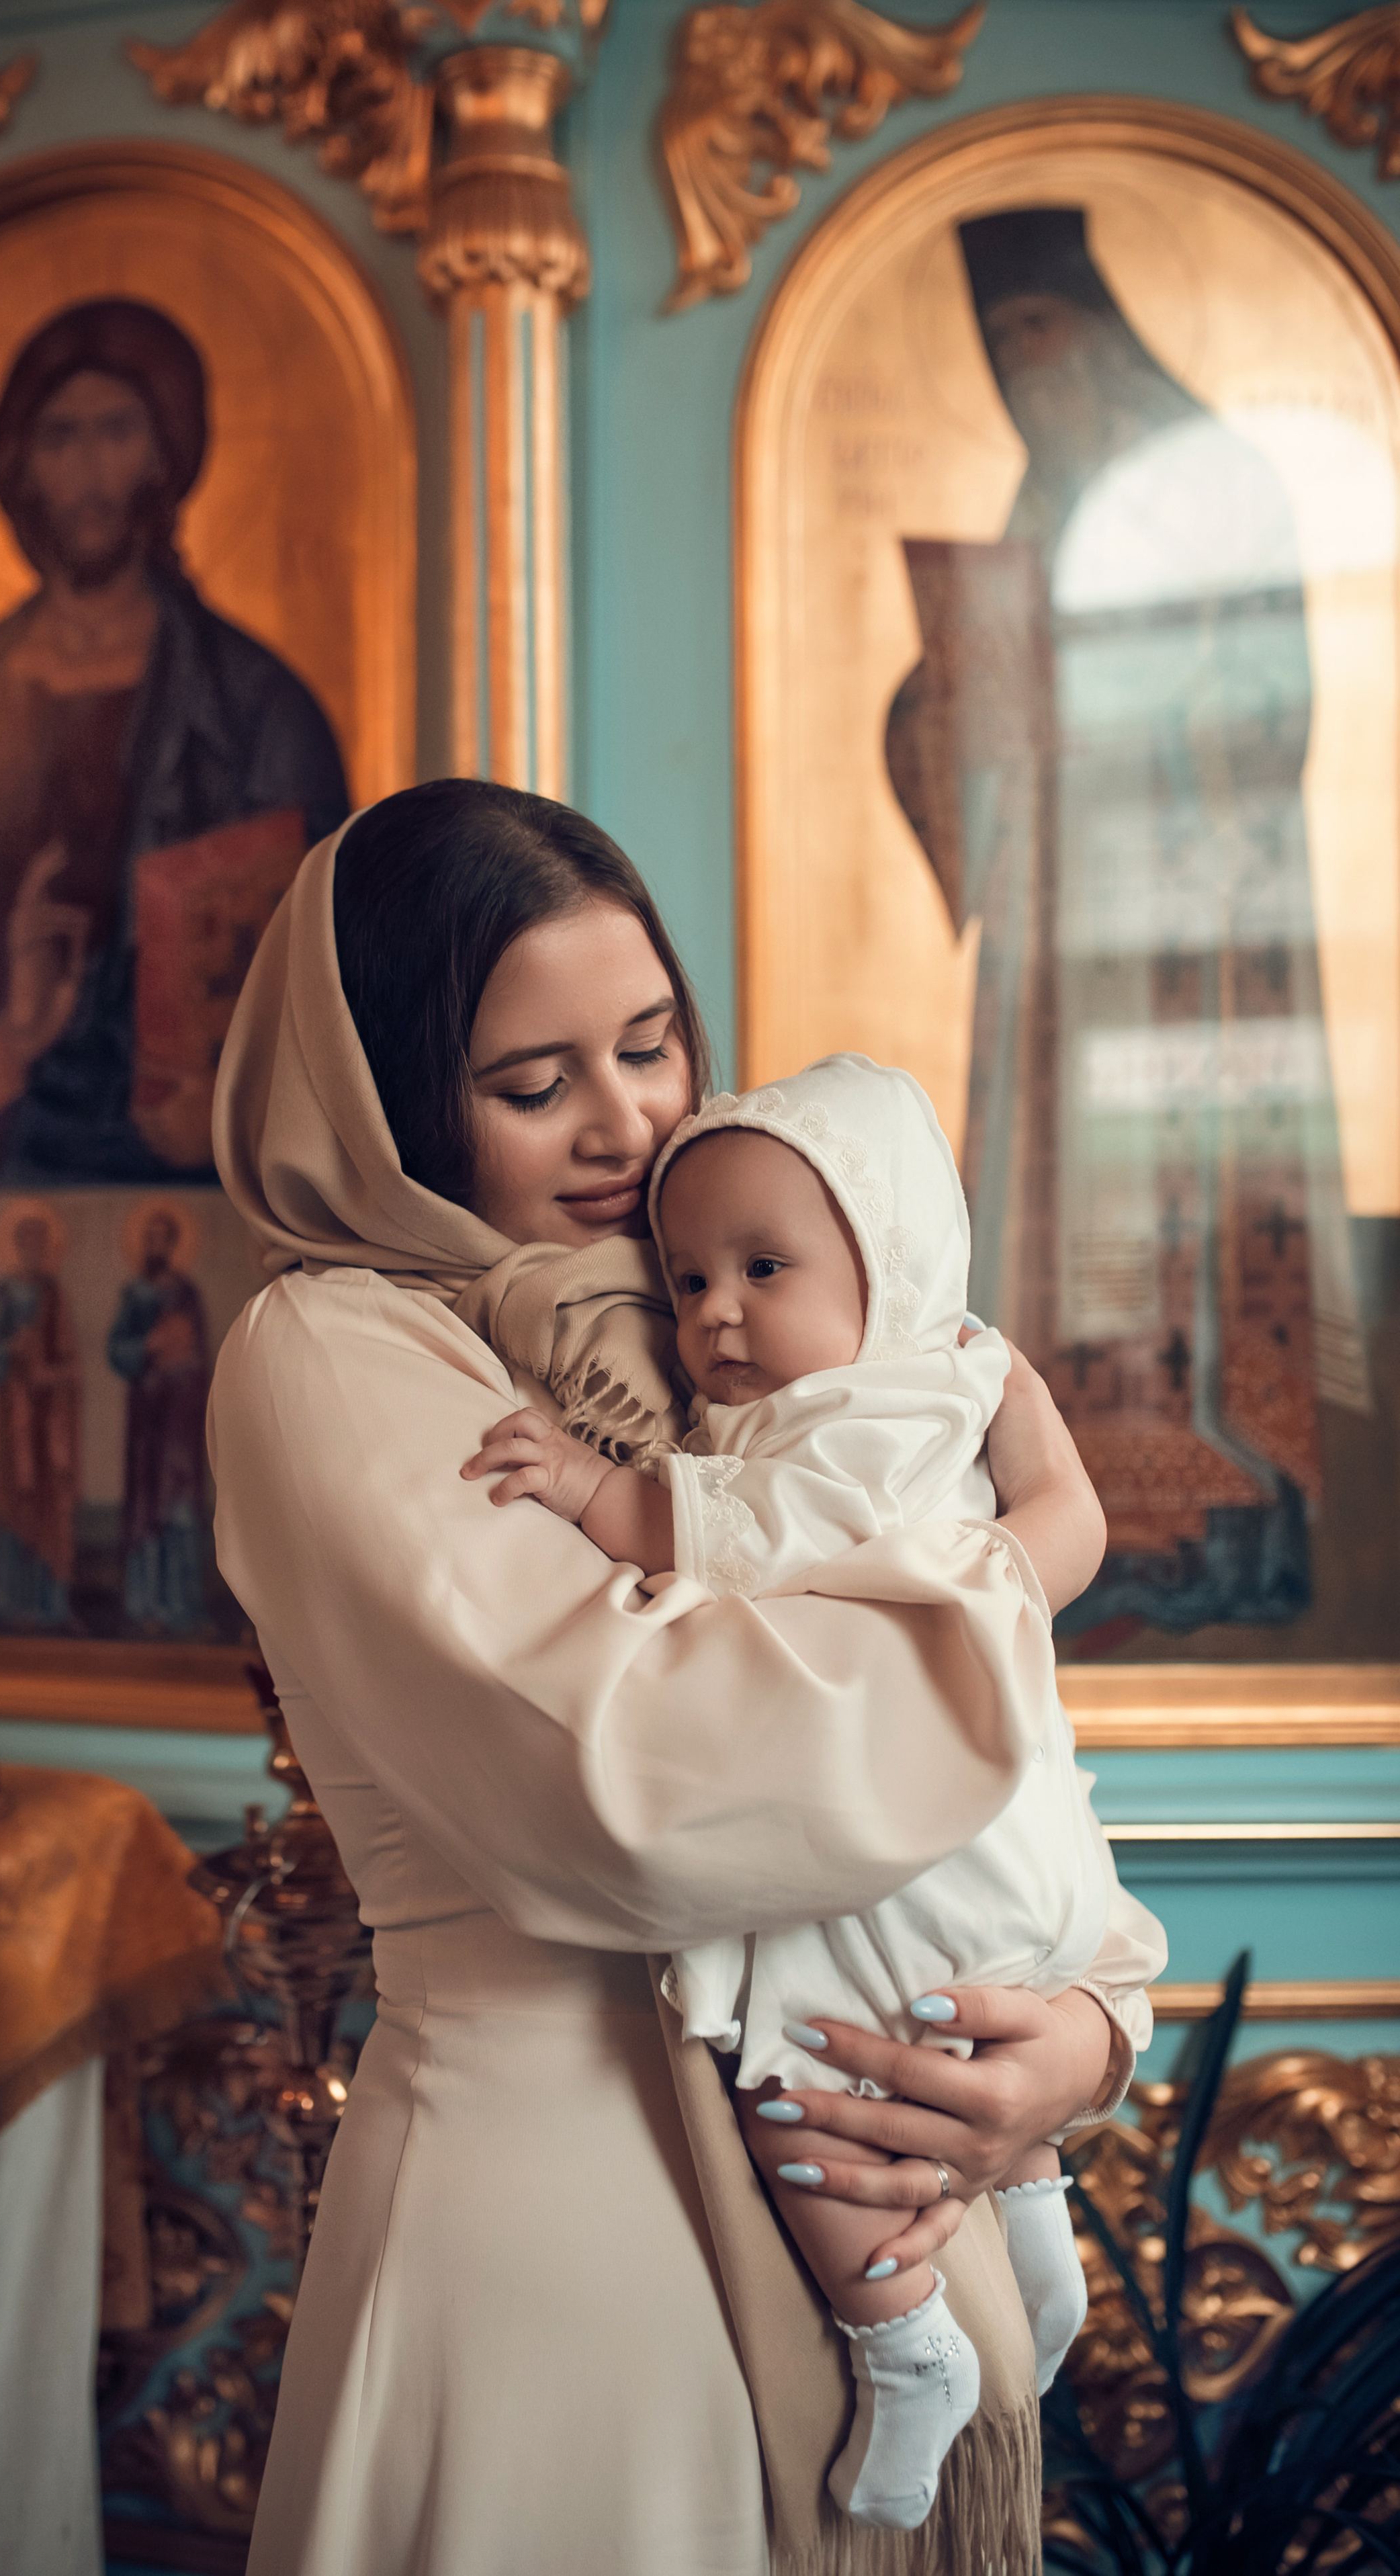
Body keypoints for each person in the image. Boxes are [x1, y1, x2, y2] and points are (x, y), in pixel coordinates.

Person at [208, 779, 1151, 2576]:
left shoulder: (726, 1307)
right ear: (400, 1102)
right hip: (568, 2249)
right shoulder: (336, 1347)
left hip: (861, 2151)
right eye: (533, 1080)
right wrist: (1019, 1564)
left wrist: (1086, 2030)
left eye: (651, 1045)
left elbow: (1012, 1780)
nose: (629, 1122)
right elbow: (649, 1784)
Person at [463, 1053, 1166, 2530]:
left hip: (916, 1855)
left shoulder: (855, 1425)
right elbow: (1046, 1534)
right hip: (1021, 1855)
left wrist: (592, 1490)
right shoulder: (962, 1380)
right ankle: (1035, 2249)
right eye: (688, 1278)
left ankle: (898, 2336)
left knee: (797, 2078)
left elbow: (739, 1524)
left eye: (761, 1269)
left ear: (884, 1264)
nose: (713, 1314)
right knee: (977, 2091)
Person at [884, 205, 1368, 1643]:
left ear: (1101, 332)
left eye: (1047, 340)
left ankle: (1226, 1524)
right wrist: (947, 699)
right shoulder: (1041, 501)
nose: (1036, 379)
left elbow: (1257, 701)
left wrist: (1102, 715)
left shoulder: (1217, 486)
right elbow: (972, 724)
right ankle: (1078, 1519)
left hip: (1190, 943)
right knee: (1054, 1230)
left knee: (1189, 1233)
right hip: (1055, 956)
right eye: (1008, 356)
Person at [0, 296, 349, 1191]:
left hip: (201, 1169)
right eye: (59, 437)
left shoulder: (256, 708)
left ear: (165, 454)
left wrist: (233, 1089)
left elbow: (334, 966)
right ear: (20, 467)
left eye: (115, 432)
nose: (86, 472)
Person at [0, 1203, 81, 1629]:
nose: (35, 1248)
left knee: (51, 1501)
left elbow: (71, 1363)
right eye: (27, 1241)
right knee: (18, 1496)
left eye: (42, 1241)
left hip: (50, 1419)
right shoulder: (2, 1294)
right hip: (16, 1418)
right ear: (17, 1246)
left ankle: (50, 1603)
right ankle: (12, 1601)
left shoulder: (56, 1295)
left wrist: (50, 1374)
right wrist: (9, 1351)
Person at [108, 1201, 212, 1635]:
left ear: (173, 1244)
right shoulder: (134, 1295)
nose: (156, 1245)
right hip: (149, 1420)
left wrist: (186, 1363)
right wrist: (147, 1346)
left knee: (181, 1507)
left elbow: (201, 1354)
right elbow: (117, 1351)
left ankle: (182, 1607)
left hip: (181, 1419)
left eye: (163, 1238)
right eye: (149, 1238)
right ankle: (146, 1604)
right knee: (148, 1506)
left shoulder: (188, 1294)